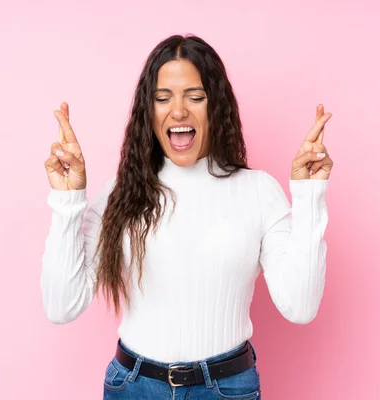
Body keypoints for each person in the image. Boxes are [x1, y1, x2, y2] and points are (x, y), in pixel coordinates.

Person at [41, 34, 333, 399]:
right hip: (134, 388)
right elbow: (61, 305)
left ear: (217, 107)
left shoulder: (258, 191)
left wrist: (309, 195)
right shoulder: (120, 192)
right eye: (163, 98)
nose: (178, 111)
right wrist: (68, 199)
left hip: (226, 389)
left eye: (195, 97)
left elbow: (301, 306)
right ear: (149, 111)